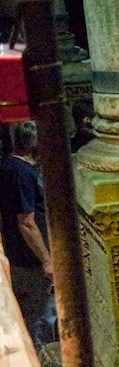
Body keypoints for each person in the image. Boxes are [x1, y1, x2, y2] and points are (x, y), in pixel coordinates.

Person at [0, 121, 56, 348]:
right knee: (40, 315)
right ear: (36, 145)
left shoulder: (7, 166)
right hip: (30, 261)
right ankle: (45, 366)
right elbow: (27, 223)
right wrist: (47, 260)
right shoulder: (23, 173)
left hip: (17, 255)